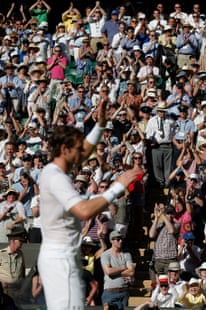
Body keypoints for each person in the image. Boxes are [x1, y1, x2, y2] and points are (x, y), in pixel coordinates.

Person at [37, 100, 138, 310]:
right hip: (59, 259)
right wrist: (118, 186)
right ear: (65, 149)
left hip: (63, 256)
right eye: (77, 147)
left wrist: (100, 125)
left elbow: (84, 150)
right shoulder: (56, 177)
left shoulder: (56, 169)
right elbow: (84, 211)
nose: (83, 152)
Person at [100, 230, 136, 310]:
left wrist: (115, 271)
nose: (121, 241)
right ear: (111, 240)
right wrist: (124, 267)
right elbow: (108, 272)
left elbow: (131, 272)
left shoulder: (126, 254)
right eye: (118, 239)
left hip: (124, 292)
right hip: (110, 292)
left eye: (121, 239)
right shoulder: (106, 254)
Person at [0, 227, 26, 300]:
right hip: (4, 290)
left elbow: (23, 271)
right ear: (13, 241)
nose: (22, 243)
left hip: (17, 290)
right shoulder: (1, 254)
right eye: (20, 241)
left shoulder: (21, 254)